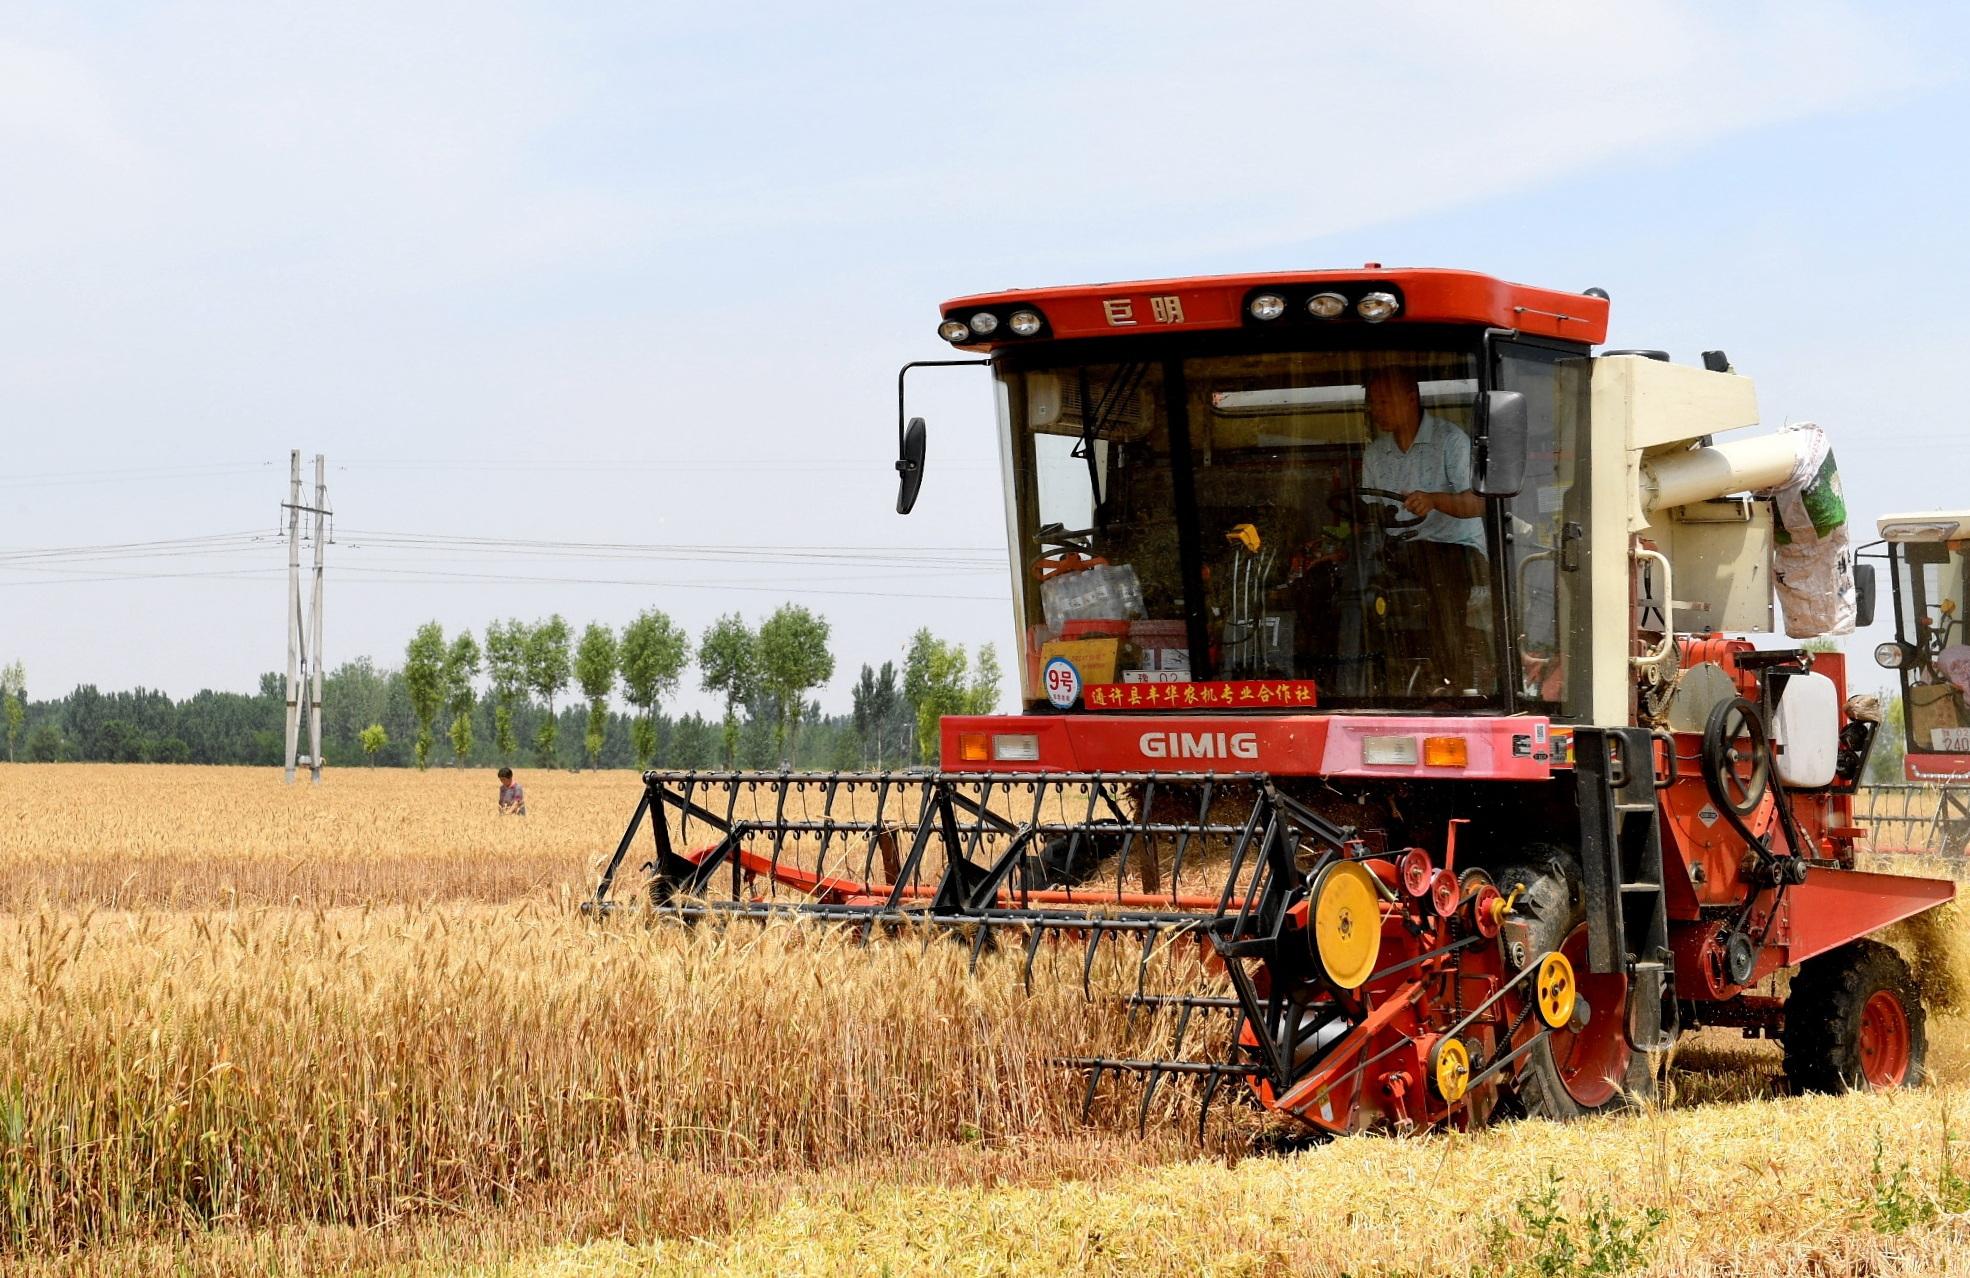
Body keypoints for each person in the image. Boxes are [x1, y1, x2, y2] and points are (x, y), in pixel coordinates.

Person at [1358, 367, 1490, 691]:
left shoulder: (1451, 441)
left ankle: (1450, 679)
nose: (1378, 411)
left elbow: (1478, 503)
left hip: (1457, 550)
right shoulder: (1375, 453)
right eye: (1373, 403)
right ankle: (1357, 679)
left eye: (1385, 402)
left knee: (1437, 567)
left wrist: (1435, 500)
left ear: (1411, 399)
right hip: (1398, 552)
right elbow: (1366, 507)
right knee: (1346, 576)